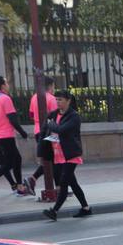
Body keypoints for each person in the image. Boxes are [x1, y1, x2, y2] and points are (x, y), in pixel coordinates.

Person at [42, 90, 90, 220]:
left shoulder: (74, 116)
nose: (58, 102)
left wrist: (51, 125)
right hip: (57, 154)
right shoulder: (53, 114)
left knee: (63, 183)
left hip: (70, 154)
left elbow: (62, 130)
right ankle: (86, 208)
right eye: (56, 100)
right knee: (72, 183)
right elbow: (44, 128)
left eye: (61, 100)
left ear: (68, 101)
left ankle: (54, 211)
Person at [0, 76, 29, 196]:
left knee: (16, 159)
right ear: (2, 86)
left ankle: (20, 187)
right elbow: (12, 119)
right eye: (7, 83)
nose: (8, 85)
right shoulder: (5, 99)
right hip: (6, 135)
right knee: (10, 163)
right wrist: (23, 133)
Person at [27, 76, 57, 200]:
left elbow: (31, 115)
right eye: (54, 86)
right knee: (53, 159)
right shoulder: (51, 98)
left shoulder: (34, 97)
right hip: (49, 131)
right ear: (50, 86)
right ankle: (33, 179)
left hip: (38, 131)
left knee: (49, 159)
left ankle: (59, 186)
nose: (54, 89)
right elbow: (56, 117)